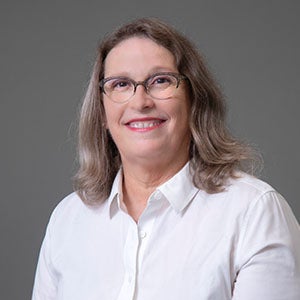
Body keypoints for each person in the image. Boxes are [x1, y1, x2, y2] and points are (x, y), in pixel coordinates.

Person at [32, 18, 300, 300]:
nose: (140, 102)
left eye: (160, 80)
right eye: (121, 84)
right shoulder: (67, 220)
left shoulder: (254, 213)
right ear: (102, 113)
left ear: (194, 99)